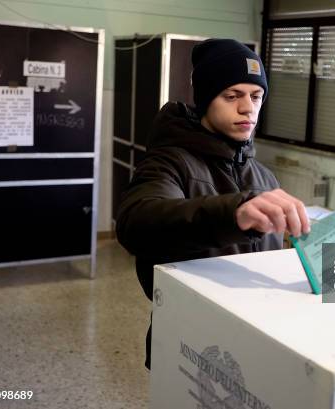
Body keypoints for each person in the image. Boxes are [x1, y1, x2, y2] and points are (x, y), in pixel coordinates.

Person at [116, 39, 310, 368]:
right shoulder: (169, 161)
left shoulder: (264, 177)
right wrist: (234, 213)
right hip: (190, 338)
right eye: (232, 96)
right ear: (206, 100)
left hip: (255, 336)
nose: (248, 108)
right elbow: (136, 221)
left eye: (256, 96)